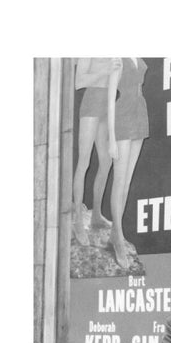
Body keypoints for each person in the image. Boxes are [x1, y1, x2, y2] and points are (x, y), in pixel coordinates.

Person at [72, 57, 122, 245]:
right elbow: (79, 82)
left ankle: (96, 214)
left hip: (108, 104)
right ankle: (78, 219)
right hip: (91, 102)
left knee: (106, 161)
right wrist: (105, 71)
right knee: (84, 161)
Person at [107, 57, 149, 268]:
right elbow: (110, 98)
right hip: (123, 115)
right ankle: (118, 238)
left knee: (127, 182)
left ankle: (116, 233)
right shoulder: (117, 57)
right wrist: (112, 139)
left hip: (140, 113)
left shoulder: (139, 57)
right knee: (119, 181)